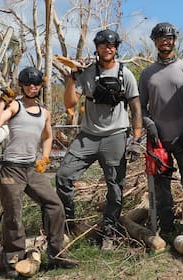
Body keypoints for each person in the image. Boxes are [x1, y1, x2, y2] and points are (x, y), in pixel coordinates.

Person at [55, 29, 142, 250]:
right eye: (103, 45)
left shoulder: (126, 74)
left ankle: (109, 232)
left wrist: (136, 137)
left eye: (112, 45)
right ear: (97, 47)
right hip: (88, 137)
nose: (108, 48)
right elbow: (70, 104)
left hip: (116, 136)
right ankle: (69, 223)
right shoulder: (87, 73)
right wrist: (72, 78)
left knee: (115, 187)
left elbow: (136, 107)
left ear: (116, 48)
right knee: (64, 176)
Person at [0, 67, 77, 278]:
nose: (32, 87)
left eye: (36, 84)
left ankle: (57, 253)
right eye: (28, 84)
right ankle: (13, 258)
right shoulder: (15, 106)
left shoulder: (44, 112)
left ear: (40, 86)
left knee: (55, 205)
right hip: (11, 169)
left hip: (30, 168)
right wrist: (2, 102)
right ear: (22, 85)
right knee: (13, 214)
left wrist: (44, 158)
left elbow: (47, 137)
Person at [138, 22, 183, 237]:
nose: (165, 42)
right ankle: (166, 228)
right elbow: (139, 106)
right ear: (155, 42)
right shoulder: (147, 73)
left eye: (168, 38)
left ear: (174, 41)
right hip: (158, 141)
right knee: (161, 187)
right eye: (160, 38)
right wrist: (149, 124)